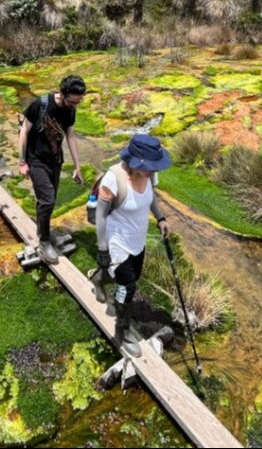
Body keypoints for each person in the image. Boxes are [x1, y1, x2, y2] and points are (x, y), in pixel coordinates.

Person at [92, 134, 172, 358]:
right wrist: (102, 249)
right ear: (136, 162)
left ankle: (99, 279)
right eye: (149, 167)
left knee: (131, 277)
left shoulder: (149, 176)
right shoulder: (113, 179)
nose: (153, 172)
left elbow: (151, 197)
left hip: (138, 239)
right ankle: (123, 329)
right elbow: (100, 216)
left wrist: (161, 218)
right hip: (117, 241)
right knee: (128, 287)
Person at [18, 75, 86, 264]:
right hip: (36, 159)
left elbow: (70, 136)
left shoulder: (71, 109)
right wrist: (22, 162)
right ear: (61, 93)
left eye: (79, 102)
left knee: (50, 200)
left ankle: (43, 229)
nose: (75, 105)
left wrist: (77, 166)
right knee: (47, 200)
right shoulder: (40, 104)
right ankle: (44, 241)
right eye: (73, 101)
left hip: (55, 160)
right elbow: (24, 131)